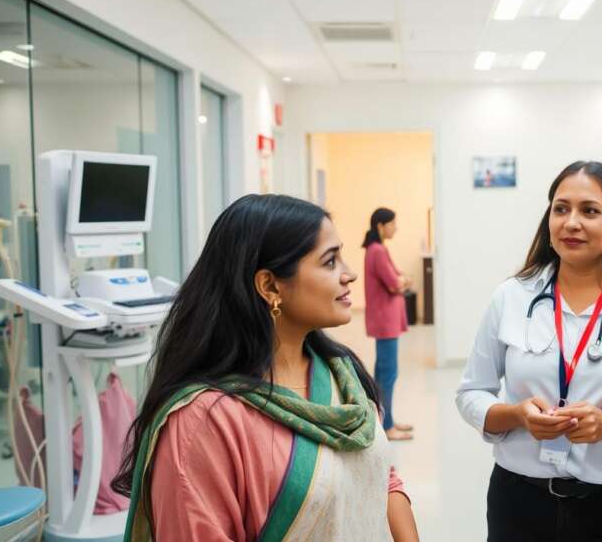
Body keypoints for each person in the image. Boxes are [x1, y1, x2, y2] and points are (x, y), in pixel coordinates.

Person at [114, 195, 419, 542]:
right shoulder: (205, 422)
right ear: (271, 286)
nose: (348, 275)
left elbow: (379, 476)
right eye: (330, 261)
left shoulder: (341, 374)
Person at [457, 161, 602, 542]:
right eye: (561, 209)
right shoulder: (511, 297)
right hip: (518, 504)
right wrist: (515, 415)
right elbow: (470, 392)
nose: (571, 222)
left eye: (589, 211)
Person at [363, 208, 414, 441]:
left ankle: (386, 419)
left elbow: (399, 278)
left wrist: (402, 280)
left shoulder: (378, 249)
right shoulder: (377, 251)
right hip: (385, 321)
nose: (396, 228)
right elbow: (395, 283)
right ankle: (387, 426)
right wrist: (402, 282)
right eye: (392, 224)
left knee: (383, 372)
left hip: (386, 320)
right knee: (388, 374)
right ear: (381, 226)